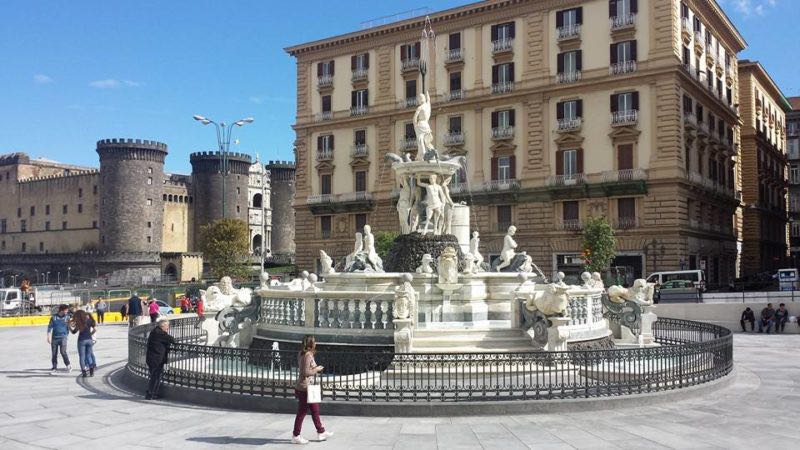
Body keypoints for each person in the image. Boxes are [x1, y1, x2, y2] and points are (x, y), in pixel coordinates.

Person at [292, 335, 333, 444]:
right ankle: (296, 435)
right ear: (310, 344)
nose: (316, 344)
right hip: (306, 387)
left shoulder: (301, 353)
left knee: (315, 410)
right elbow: (305, 372)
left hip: (309, 386)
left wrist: (314, 368)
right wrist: (317, 369)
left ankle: (321, 432)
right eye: (314, 342)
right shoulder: (308, 355)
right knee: (302, 411)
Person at [145, 318, 175, 400]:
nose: (168, 328)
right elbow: (172, 339)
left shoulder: (155, 331)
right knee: (155, 377)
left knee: (155, 377)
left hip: (152, 358)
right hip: (156, 359)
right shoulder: (160, 334)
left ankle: (153, 393)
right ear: (163, 326)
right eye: (167, 326)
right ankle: (150, 394)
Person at [69, 310, 97, 377]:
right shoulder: (89, 321)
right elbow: (95, 329)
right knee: (89, 355)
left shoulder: (79, 322)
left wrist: (68, 327)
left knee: (82, 356)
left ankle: (84, 372)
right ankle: (91, 371)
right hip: (89, 340)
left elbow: (73, 332)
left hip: (82, 340)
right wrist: (90, 334)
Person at [47, 305, 72, 374]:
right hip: (55, 338)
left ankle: (68, 365)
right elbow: (49, 327)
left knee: (63, 352)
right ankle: (54, 368)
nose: (67, 311)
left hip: (63, 337)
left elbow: (69, 326)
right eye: (66, 310)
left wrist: (67, 334)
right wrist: (48, 337)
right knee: (54, 353)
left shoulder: (67, 317)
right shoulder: (54, 317)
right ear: (61, 310)